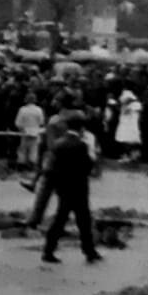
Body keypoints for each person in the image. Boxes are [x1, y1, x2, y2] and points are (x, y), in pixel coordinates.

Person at [41, 111, 102, 264]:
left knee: (60, 219)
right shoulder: (81, 145)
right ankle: (89, 250)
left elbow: (51, 167)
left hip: (63, 187)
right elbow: (87, 166)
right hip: (79, 187)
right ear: (81, 127)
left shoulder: (58, 143)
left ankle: (48, 249)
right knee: (84, 220)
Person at [13, 94, 45, 169]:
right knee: (34, 149)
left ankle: (21, 163)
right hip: (35, 132)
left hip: (24, 131)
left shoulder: (22, 109)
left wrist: (21, 129)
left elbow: (18, 122)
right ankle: (32, 164)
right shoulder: (39, 109)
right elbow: (41, 122)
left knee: (23, 149)